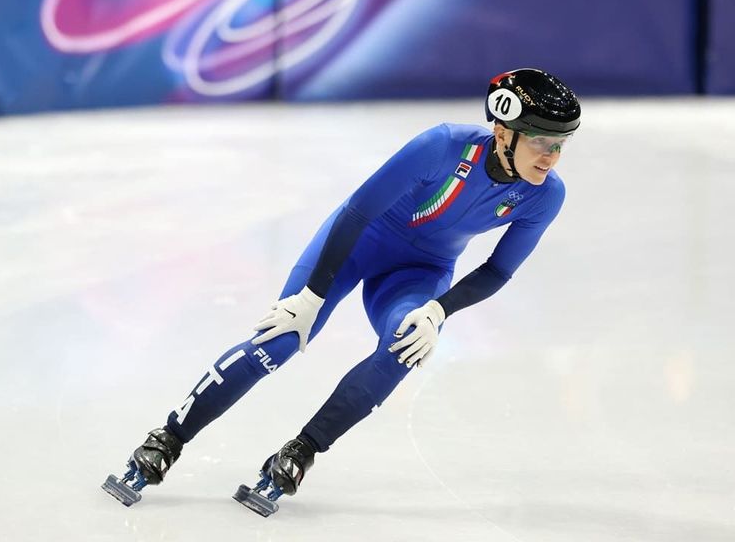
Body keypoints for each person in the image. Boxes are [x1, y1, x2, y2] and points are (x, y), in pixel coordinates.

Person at [103, 68, 581, 512]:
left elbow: (498, 270)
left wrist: (439, 310)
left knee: (405, 346)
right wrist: (311, 296)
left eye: (561, 144)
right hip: (359, 242)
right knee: (280, 340)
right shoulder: (442, 146)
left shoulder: (546, 195)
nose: (551, 156)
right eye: (541, 141)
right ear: (503, 131)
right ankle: (168, 438)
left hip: (420, 271)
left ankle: (300, 451)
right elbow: (358, 212)